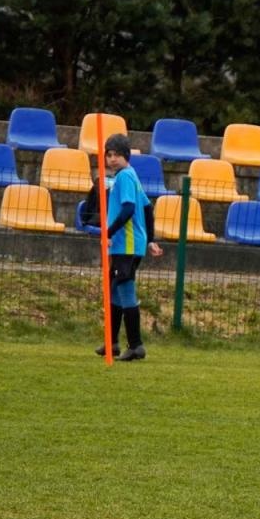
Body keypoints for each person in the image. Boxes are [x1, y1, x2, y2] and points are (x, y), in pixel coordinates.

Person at [95, 134, 162, 362]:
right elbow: (148, 208)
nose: (112, 159)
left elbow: (128, 210)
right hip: (133, 244)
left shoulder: (124, 177)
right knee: (115, 289)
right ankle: (111, 342)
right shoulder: (131, 176)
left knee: (125, 289)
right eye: (109, 155)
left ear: (126, 156)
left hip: (127, 244)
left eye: (117, 155)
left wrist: (109, 232)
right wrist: (151, 239)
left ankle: (136, 345)